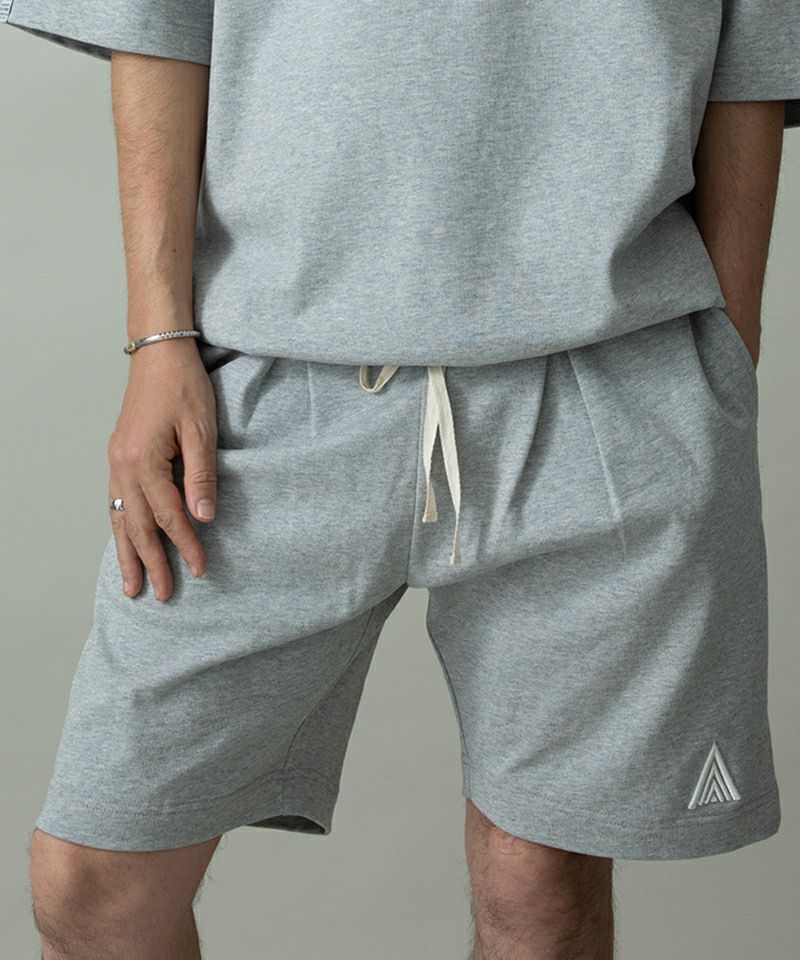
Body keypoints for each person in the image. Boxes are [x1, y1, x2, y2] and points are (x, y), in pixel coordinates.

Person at [3, 1, 798, 957]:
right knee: (94, 888)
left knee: (540, 890)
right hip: (267, 380)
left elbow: (758, 42)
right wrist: (158, 337)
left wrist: (723, 359)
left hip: (609, 362)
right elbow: (157, 15)